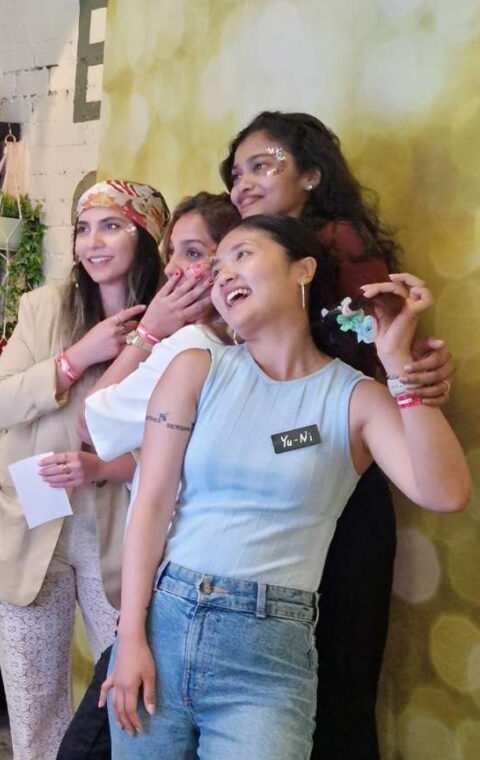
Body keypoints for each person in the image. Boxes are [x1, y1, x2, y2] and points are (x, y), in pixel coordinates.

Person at [106, 214, 469, 759]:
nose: (223, 273)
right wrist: (130, 636)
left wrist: (397, 365)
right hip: (163, 624)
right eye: (218, 264)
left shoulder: (356, 398)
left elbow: (444, 493)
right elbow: (151, 505)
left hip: (268, 656)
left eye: (243, 254)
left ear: (303, 269)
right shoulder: (194, 368)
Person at [222, 111, 454, 759]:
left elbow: (371, 353)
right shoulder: (248, 259)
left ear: (313, 175)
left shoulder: (335, 246)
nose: (244, 181)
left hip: (332, 482)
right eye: (236, 172)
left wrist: (412, 368)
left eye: (263, 164)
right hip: (293, 486)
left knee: (330, 685)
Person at [0, 180, 169, 760]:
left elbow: (180, 443)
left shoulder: (171, 326)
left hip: (123, 533)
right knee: (36, 709)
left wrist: (104, 467)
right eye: (83, 228)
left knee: (134, 701)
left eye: (112, 226)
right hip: (26, 526)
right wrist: (76, 357)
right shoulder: (46, 307)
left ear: (148, 236)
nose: (92, 243)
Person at [56, 192, 242, 760]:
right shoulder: (243, 345)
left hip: (173, 576)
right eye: (173, 255)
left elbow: (94, 419)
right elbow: (163, 451)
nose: (176, 270)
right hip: (203, 579)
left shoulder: (194, 342)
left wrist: (147, 335)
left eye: (193, 252)